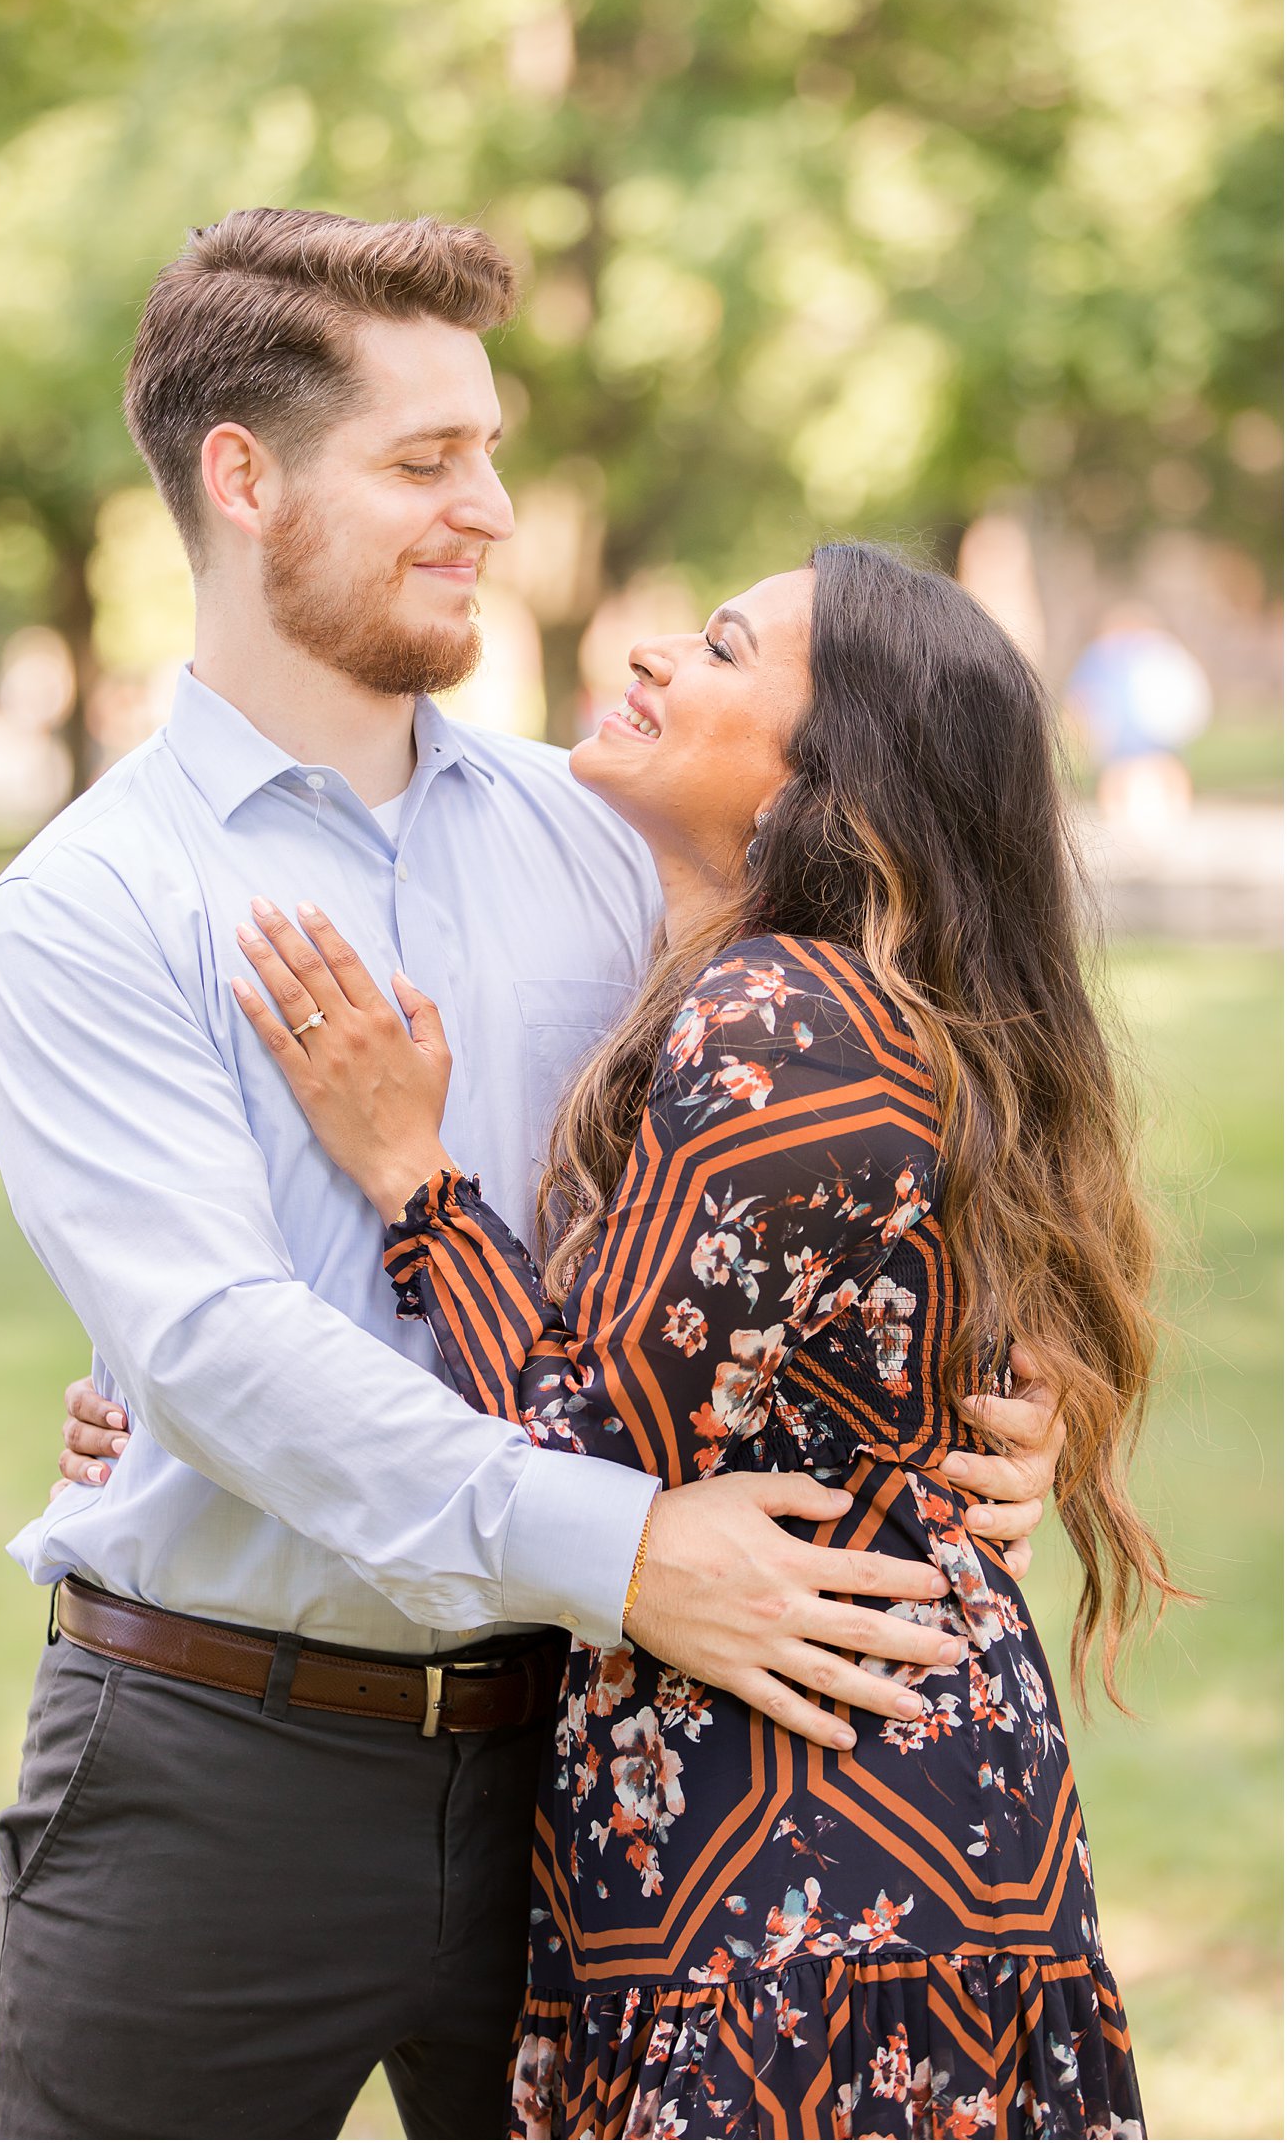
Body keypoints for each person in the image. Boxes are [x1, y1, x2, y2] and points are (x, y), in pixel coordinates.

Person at [0, 208, 1057, 2141]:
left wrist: (997, 1391)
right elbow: (212, 1349)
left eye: (488, 449)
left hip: (607, 1772)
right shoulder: (89, 905)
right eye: (423, 461)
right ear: (244, 479)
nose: (491, 508)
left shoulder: (611, 834)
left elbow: (912, 1090)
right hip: (223, 1766)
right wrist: (628, 1550)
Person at [225, 543, 1167, 2138]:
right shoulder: (806, 998)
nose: (656, 649)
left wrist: (411, 1171)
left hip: (811, 1856)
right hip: (813, 1824)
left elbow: (581, 1442)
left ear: (832, 789)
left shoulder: (787, 1017)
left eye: (723, 648)